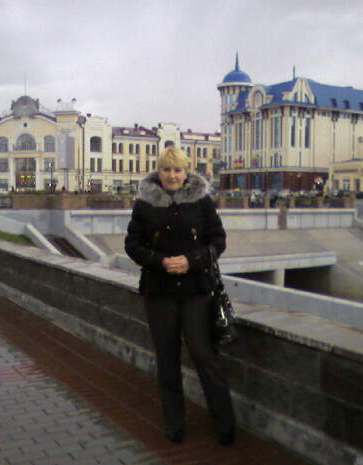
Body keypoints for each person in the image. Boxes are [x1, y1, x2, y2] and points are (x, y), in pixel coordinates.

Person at [125, 147, 235, 445]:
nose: (172, 176)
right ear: (158, 172)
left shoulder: (201, 201)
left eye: (177, 170)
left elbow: (218, 241)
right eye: (166, 170)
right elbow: (132, 245)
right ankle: (174, 423)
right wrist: (159, 261)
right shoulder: (144, 204)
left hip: (196, 290)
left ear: (186, 172)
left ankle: (225, 423)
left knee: (203, 353)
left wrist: (192, 260)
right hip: (159, 291)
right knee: (167, 358)